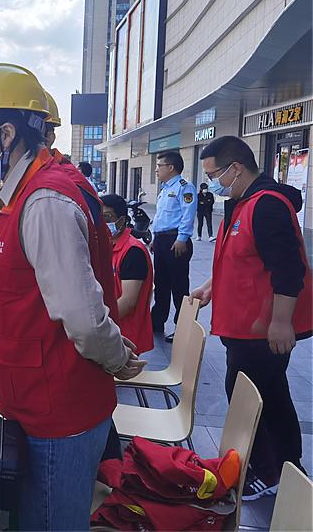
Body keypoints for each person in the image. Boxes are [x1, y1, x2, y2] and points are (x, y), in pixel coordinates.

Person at [0, 63, 145, 531]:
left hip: (57, 411)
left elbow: (81, 314)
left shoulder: (45, 201)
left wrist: (116, 358)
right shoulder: (29, 191)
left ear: (8, 133)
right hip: (40, 400)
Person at [191, 136, 311, 500]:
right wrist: (213, 284)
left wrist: (280, 321)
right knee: (271, 394)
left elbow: (288, 268)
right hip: (245, 325)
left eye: (215, 174)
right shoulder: (243, 203)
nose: (212, 182)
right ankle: (289, 466)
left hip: (261, 329)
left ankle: (269, 470)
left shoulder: (267, 205)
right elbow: (243, 256)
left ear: (236, 168)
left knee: (251, 394)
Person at [151, 151, 197, 342]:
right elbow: (162, 217)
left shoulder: (184, 187)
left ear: (171, 167)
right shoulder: (164, 189)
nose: (156, 169)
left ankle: (182, 327)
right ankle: (157, 321)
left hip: (176, 241)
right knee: (160, 284)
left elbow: (188, 214)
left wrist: (182, 238)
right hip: (162, 240)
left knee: (179, 286)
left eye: (159, 165)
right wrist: (155, 237)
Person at [102, 194, 154, 354]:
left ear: (122, 220)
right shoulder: (107, 247)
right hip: (109, 331)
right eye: (98, 218)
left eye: (107, 217)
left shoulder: (133, 252)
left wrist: (97, 323)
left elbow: (128, 301)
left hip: (125, 337)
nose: (102, 223)